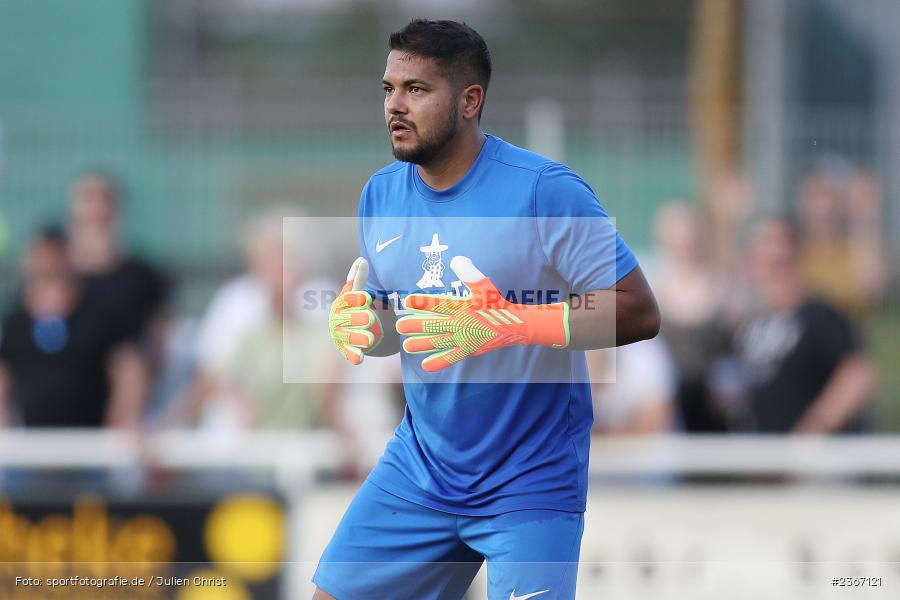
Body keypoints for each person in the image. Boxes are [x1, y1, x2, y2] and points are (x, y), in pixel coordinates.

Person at [314, 20, 659, 600]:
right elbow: (406, 323)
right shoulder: (381, 193)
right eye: (389, 89)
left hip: (530, 479)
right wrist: (367, 325)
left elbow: (640, 311)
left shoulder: (544, 190)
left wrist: (511, 323)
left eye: (417, 89)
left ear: (470, 100)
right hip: (420, 470)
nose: (395, 105)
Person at [733, 218, 874, 434]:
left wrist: (813, 430)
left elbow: (857, 375)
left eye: (778, 260)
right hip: (764, 448)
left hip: (813, 451)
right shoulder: (753, 323)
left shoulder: (820, 316)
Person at [0, 228, 147, 428]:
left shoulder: (98, 314)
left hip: (90, 438)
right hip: (33, 440)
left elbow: (128, 371)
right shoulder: (17, 321)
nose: (49, 264)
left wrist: (121, 423)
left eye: (56, 257)